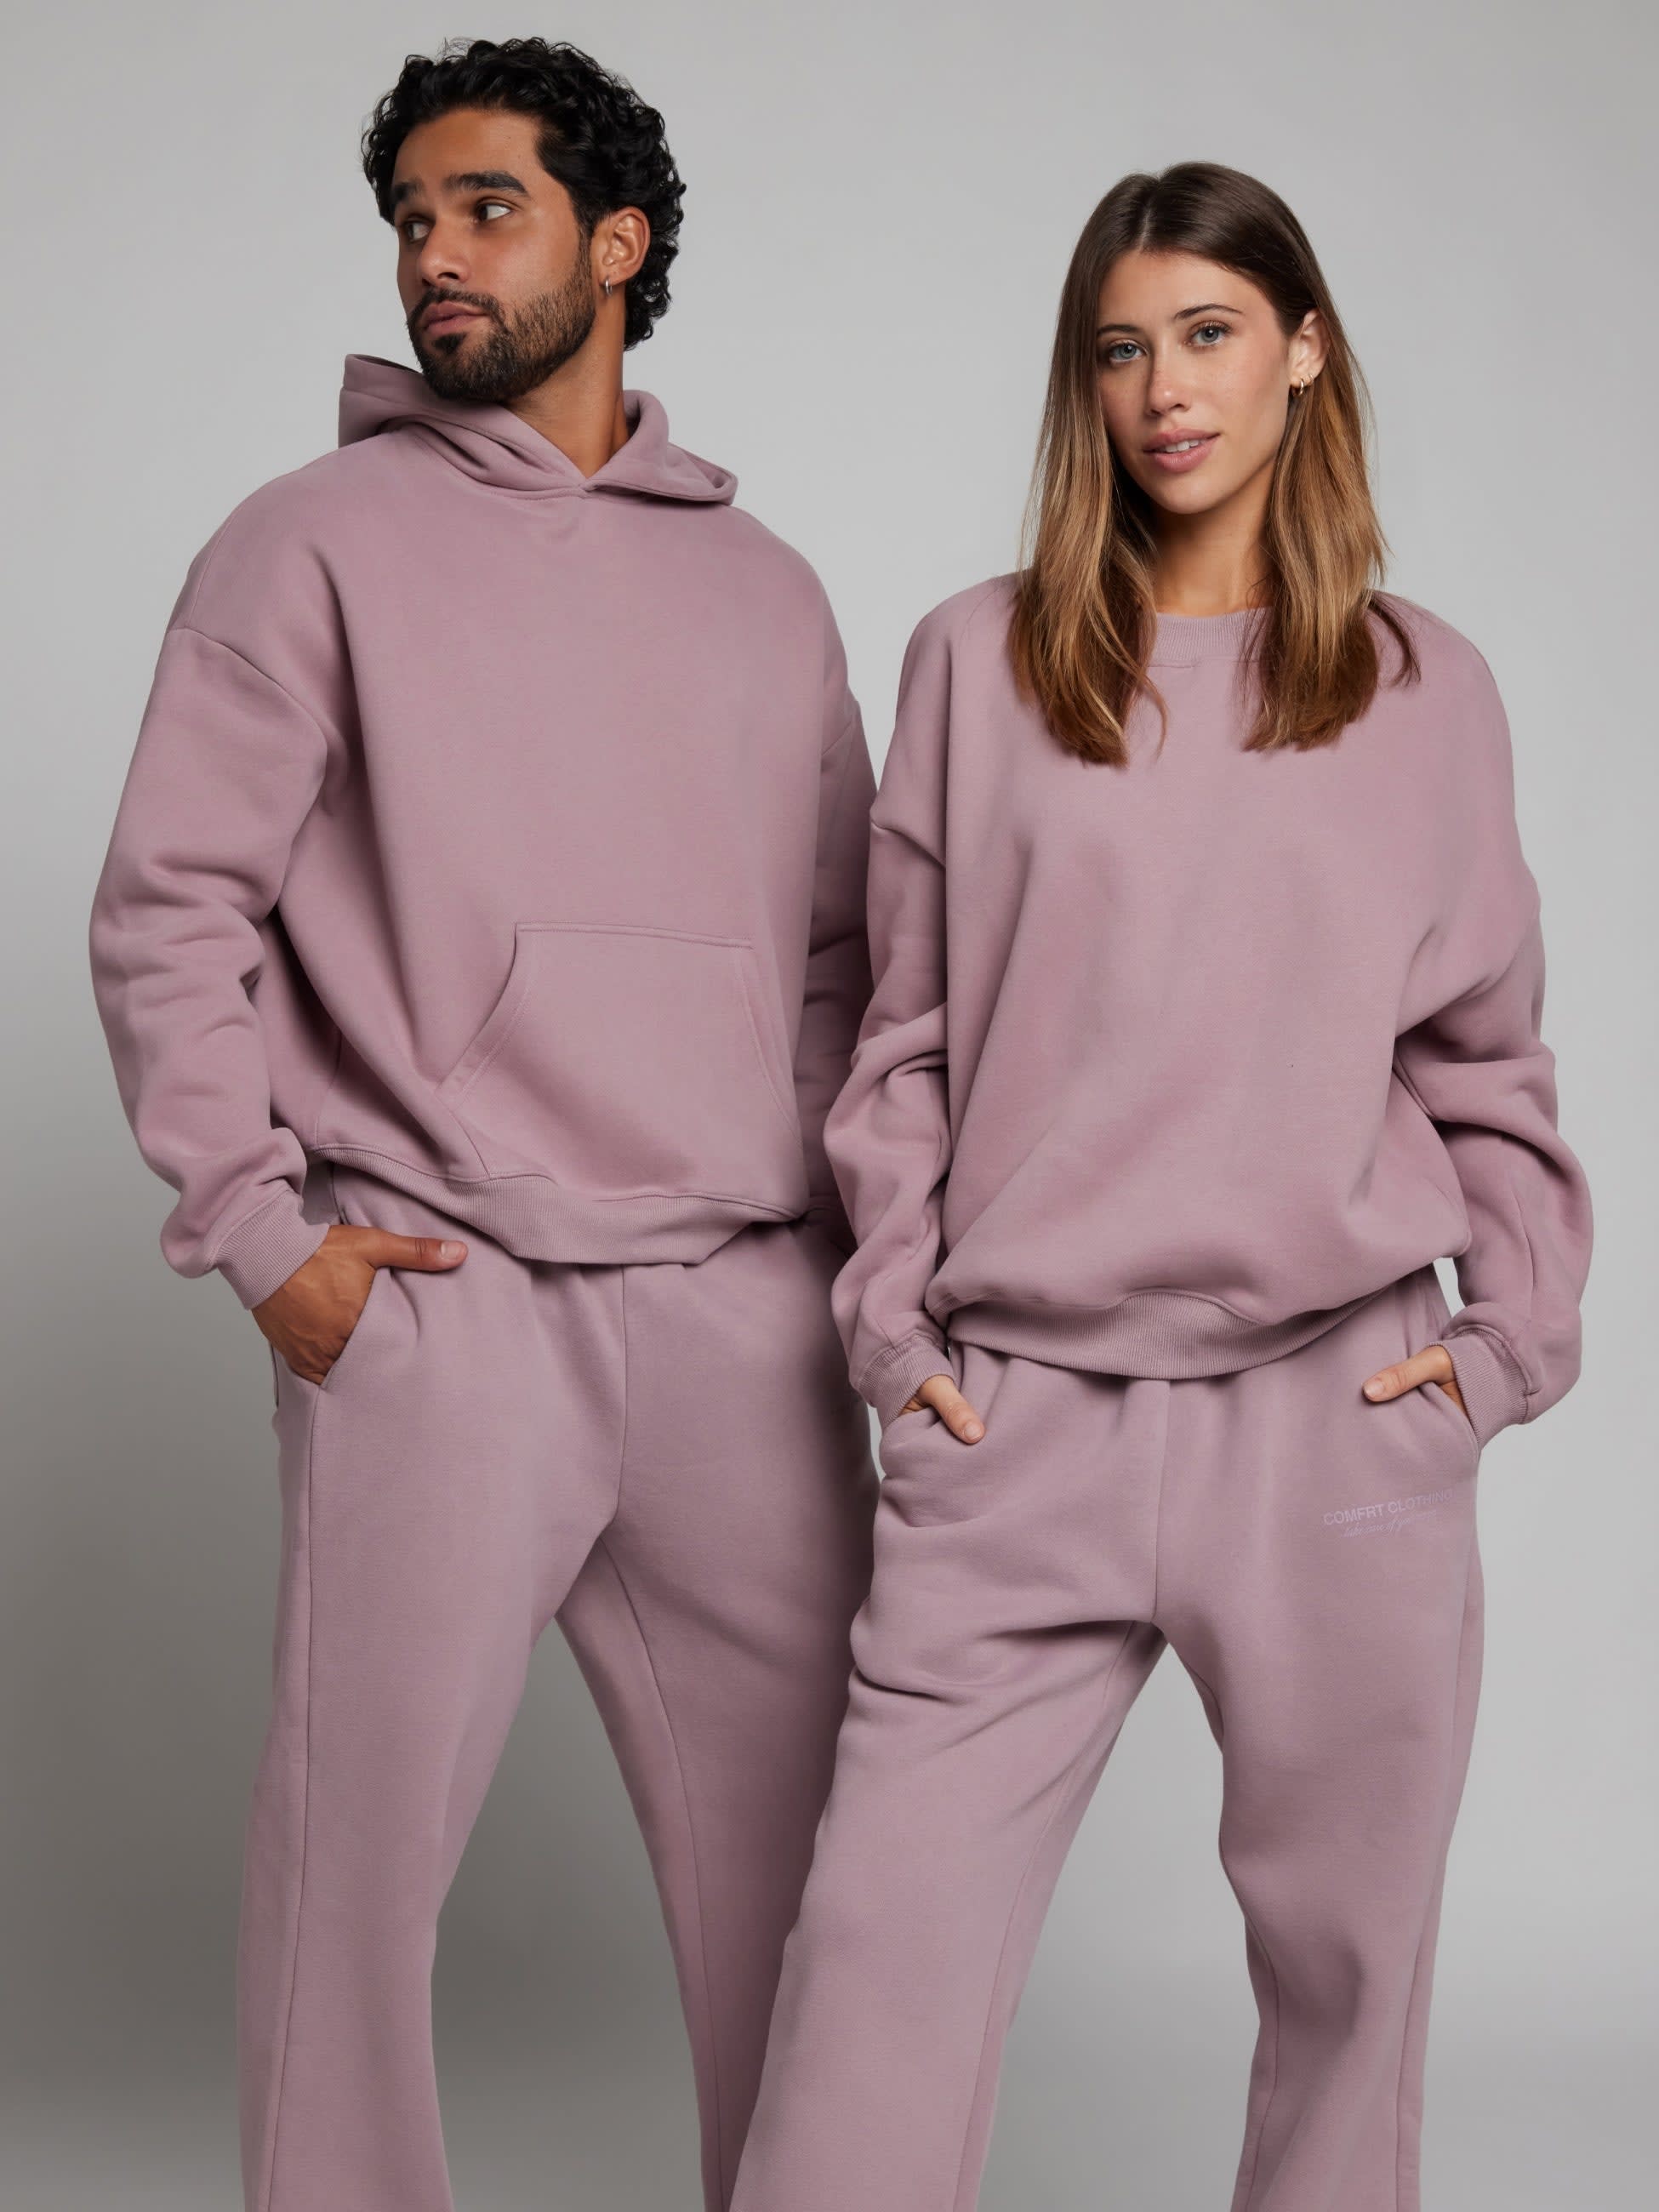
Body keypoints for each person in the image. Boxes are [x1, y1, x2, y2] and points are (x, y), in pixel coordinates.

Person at [729, 160, 1593, 2212]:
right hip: (1020, 1419)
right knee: (877, 1965)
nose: (1163, 390)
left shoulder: (1425, 690)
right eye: (1120, 350)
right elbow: (906, 1041)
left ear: (1305, 352)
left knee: (1350, 1987)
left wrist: (1504, 1351)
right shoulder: (979, 662)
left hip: (1334, 1415)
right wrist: (895, 1329)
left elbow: (1487, 1059)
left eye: (1208, 334)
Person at [86, 37, 879, 2212]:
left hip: (739, 1319)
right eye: (411, 218)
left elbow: (843, 953)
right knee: (348, 1891)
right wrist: (267, 1236)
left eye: (486, 208)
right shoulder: (305, 545)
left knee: (823, 1896)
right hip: (443, 1302)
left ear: (616, 246)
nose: (434, 254)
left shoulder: (769, 588)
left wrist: (825, 1243)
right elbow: (169, 910)